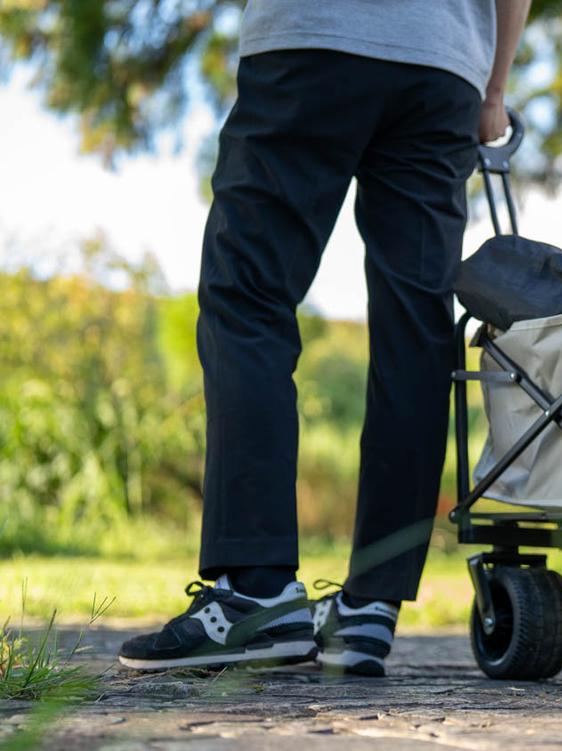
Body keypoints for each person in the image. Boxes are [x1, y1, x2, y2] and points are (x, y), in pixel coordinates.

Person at [118, 0, 531, 677]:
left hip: (315, 37)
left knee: (246, 294)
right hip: (444, 66)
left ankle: (255, 592)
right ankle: (371, 604)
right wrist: (493, 91)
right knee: (416, 329)